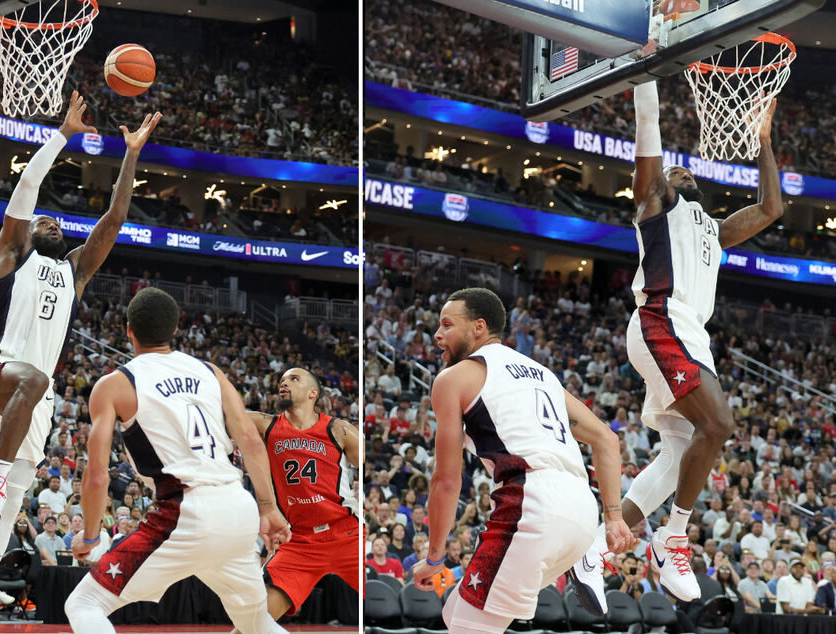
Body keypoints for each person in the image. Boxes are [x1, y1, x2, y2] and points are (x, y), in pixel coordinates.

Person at [0, 94, 161, 634]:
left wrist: (129, 155)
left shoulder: (74, 273)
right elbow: (23, 194)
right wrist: (61, 135)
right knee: (33, 382)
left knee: (12, 505)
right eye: (46, 220)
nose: (53, 223)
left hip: (33, 402)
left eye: (59, 223)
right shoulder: (14, 255)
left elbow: (114, 219)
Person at [572, 80, 785, 610]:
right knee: (720, 426)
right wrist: (647, 79)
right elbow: (649, 137)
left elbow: (771, 208)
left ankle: (596, 548)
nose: (680, 171)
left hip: (691, 334)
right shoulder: (656, 206)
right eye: (673, 170)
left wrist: (762, 140)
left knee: (681, 451)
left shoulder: (712, 226)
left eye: (687, 172)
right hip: (661, 319)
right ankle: (673, 540)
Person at [64, 288, 290, 634]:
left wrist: (91, 537)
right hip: (237, 506)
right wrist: (269, 509)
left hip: (185, 511)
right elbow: (251, 442)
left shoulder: (115, 385)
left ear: (128, 330)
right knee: (255, 621)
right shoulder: (210, 372)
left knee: (84, 603)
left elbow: (96, 477)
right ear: (174, 330)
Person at [411, 288, 634, 634]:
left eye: (447, 325)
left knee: (467, 627)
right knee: (454, 613)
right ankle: (587, 557)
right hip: (583, 513)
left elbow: (446, 481)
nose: (437, 335)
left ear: (479, 327)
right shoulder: (543, 375)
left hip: (532, 504)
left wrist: (435, 558)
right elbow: (607, 439)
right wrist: (615, 517)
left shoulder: (453, 378)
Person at [242, 366, 360, 623]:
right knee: (254, 621)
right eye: (281, 380)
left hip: (346, 531)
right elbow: (227, 415)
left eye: (293, 379)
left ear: (312, 393)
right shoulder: (266, 424)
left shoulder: (338, 430)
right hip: (300, 540)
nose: (283, 384)